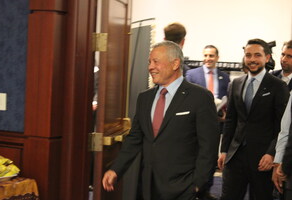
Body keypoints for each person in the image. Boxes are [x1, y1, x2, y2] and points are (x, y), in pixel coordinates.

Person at [102, 41, 220, 200]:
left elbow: (208, 146)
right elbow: (135, 139)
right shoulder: (145, 98)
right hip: (147, 187)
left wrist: (198, 184)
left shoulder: (200, 97)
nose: (150, 67)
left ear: (175, 64)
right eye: (149, 62)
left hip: (184, 189)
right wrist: (116, 170)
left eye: (155, 62)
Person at [217, 38, 290, 200]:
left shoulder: (278, 86)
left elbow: (281, 126)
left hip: (262, 160)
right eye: (248, 55)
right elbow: (231, 121)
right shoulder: (235, 84)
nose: (252, 59)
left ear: (267, 58)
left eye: (257, 55)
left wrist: (272, 153)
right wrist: (224, 151)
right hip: (235, 157)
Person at [185, 45, 230, 200]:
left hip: (216, 125)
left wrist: (224, 113)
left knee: (211, 157)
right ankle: (194, 188)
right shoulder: (191, 74)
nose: (208, 58)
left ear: (217, 57)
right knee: (196, 156)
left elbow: (227, 100)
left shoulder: (225, 77)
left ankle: (205, 190)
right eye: (206, 55)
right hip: (196, 125)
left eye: (211, 55)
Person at [272, 40, 292, 200]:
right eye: (283, 54)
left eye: (290, 56)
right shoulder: (271, 78)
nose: (284, 59)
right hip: (271, 144)